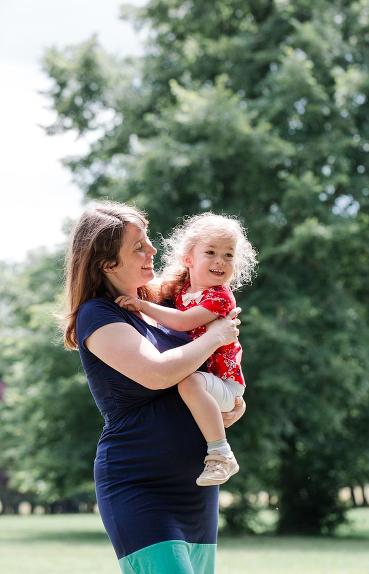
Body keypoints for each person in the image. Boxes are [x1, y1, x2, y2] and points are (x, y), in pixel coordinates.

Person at [62, 202, 246, 572]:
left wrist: (230, 405)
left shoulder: (158, 305)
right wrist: (215, 336)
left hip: (196, 486)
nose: (154, 251)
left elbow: (202, 366)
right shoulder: (97, 314)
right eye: (139, 247)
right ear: (107, 264)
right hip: (140, 484)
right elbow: (157, 374)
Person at [115, 213, 257, 486]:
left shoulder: (220, 297)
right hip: (206, 386)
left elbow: (183, 321)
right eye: (211, 252)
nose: (220, 261)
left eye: (229, 255)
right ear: (189, 258)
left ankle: (221, 454)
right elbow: (152, 291)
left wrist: (141, 305)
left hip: (225, 383)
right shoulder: (182, 287)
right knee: (190, 383)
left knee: (190, 383)